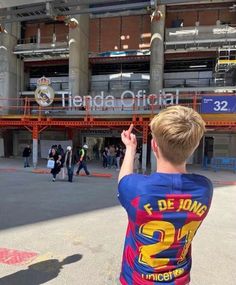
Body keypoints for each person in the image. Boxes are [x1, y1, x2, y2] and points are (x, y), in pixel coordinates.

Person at [118, 106, 213, 285]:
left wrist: (130, 149)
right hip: (180, 279)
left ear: (154, 145)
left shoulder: (137, 189)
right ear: (194, 146)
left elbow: (124, 179)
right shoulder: (204, 188)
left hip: (138, 280)